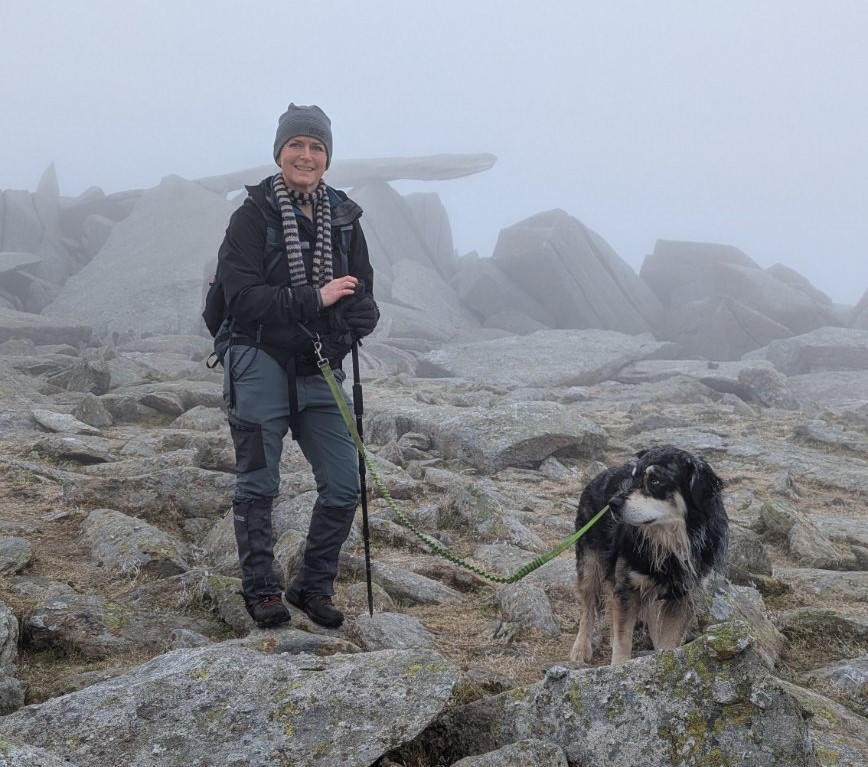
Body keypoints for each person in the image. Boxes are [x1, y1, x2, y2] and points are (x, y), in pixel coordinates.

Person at [215, 103, 379, 629]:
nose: (306, 155)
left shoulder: (346, 218)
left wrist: (361, 314)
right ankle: (262, 589)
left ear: (327, 158)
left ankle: (311, 585)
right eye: (296, 146)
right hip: (258, 355)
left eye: (316, 147)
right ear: (279, 152)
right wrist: (316, 299)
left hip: (320, 365)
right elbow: (241, 298)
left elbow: (362, 295)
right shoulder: (253, 215)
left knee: (344, 484)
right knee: (258, 484)